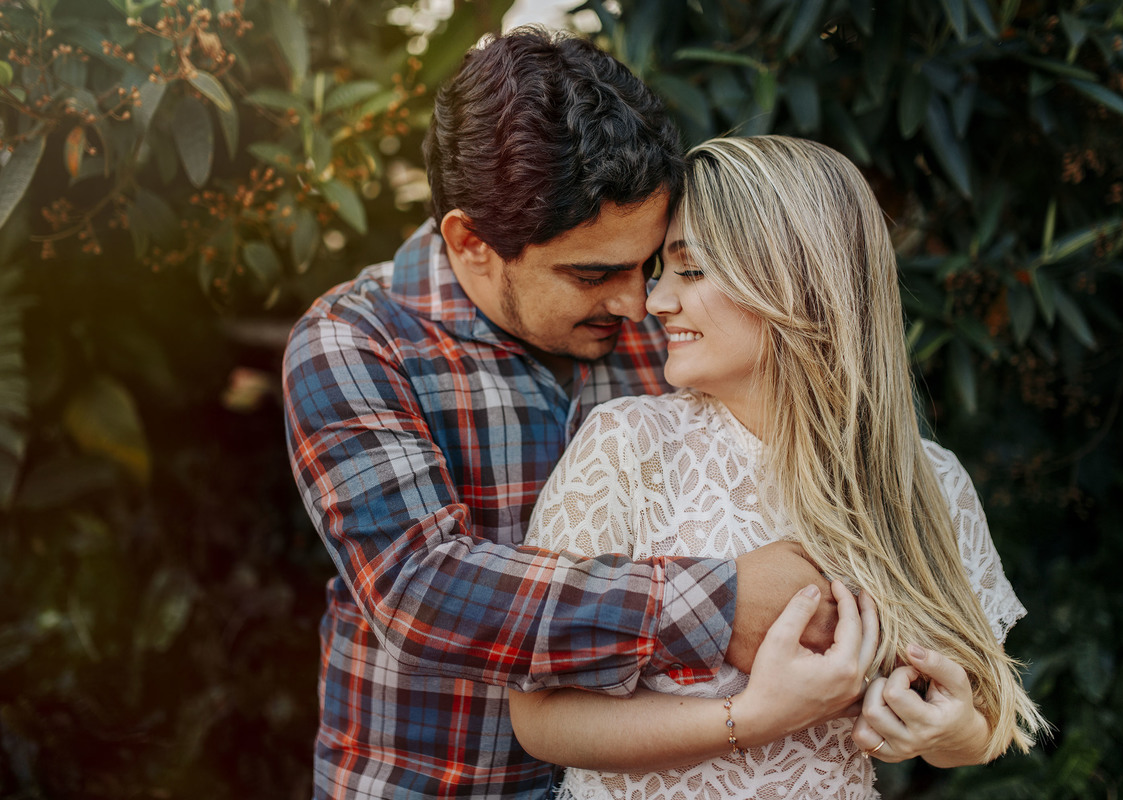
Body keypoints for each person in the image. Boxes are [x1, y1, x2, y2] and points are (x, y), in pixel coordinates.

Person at [282, 30, 837, 800]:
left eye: (647, 263)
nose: (637, 303)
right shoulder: (357, 340)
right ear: (472, 242)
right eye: (592, 274)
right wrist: (723, 602)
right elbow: (422, 590)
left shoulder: (670, 331)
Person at [508, 136, 1048, 799]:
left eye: (691, 270)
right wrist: (752, 717)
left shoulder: (930, 482)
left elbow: (987, 722)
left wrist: (951, 732)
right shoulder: (628, 448)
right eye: (663, 271)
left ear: (797, 282)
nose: (655, 302)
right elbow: (540, 716)